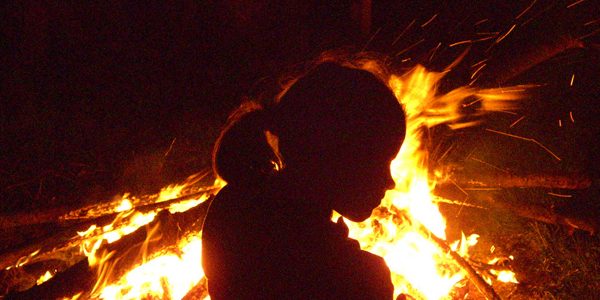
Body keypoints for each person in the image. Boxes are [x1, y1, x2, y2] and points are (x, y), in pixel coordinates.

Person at [202, 61, 406, 299]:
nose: (390, 181)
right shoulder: (359, 278)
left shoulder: (232, 206)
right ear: (335, 158)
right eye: (381, 162)